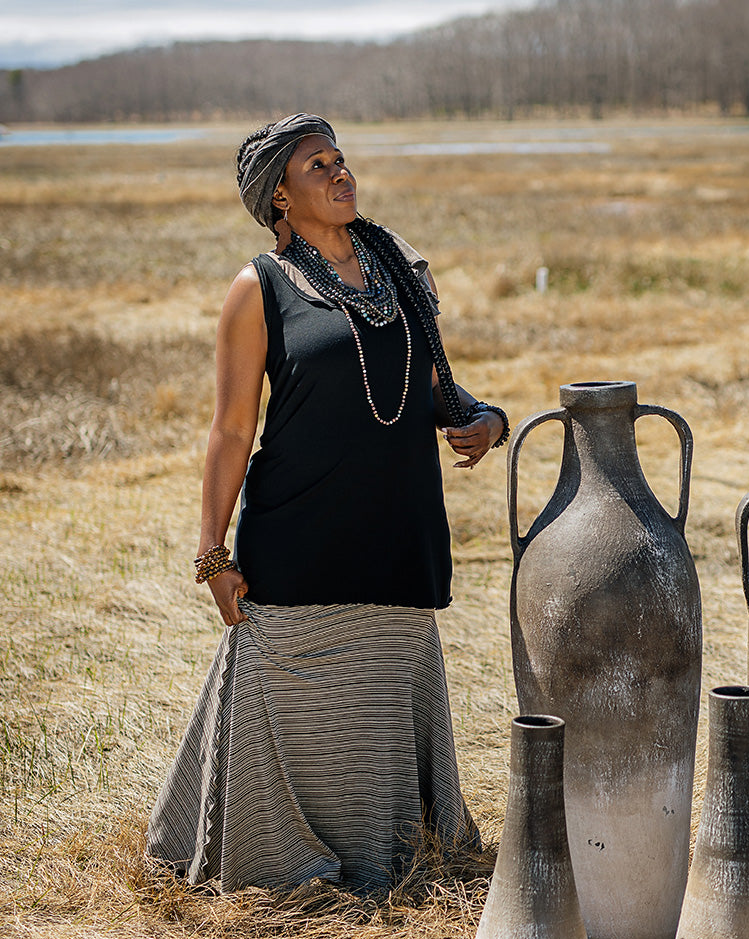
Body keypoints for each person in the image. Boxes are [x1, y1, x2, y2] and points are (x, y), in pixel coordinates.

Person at [146, 114, 508, 893]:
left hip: (399, 538)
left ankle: (386, 855)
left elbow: (437, 387)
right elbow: (231, 429)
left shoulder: (401, 270)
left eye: (342, 160)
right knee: (282, 700)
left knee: (378, 708)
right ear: (279, 195)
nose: (342, 174)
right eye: (319, 166)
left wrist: (489, 420)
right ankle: (271, 864)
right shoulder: (259, 287)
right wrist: (212, 553)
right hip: (297, 543)